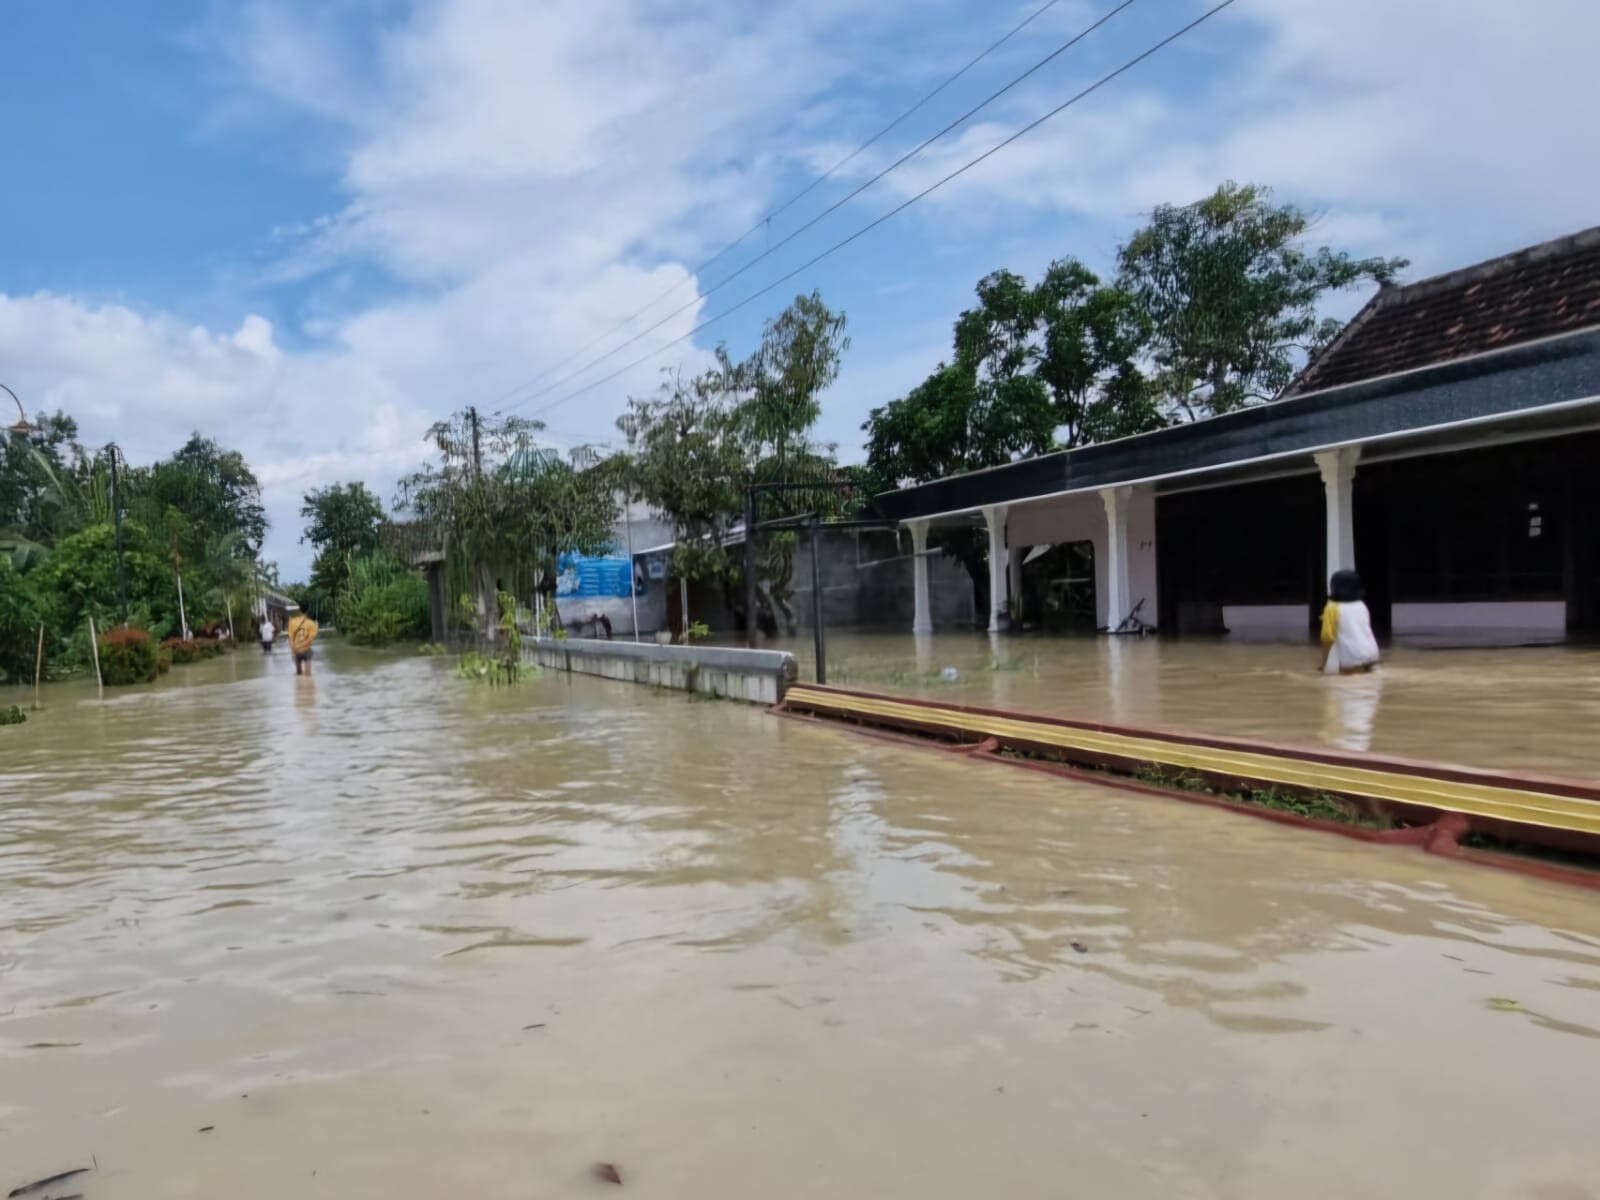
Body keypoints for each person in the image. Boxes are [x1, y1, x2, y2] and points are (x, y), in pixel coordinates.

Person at [1319, 569, 1380, 675]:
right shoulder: (1361, 605)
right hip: (1372, 653)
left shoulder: (1331, 608)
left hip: (1353, 657)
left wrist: (1324, 664)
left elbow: (1327, 638)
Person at [288, 611, 319, 676]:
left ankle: (300, 684)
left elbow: (290, 639)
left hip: (297, 651)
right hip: (305, 650)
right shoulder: (311, 624)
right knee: (307, 674)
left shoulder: (292, 623)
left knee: (299, 673)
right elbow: (311, 639)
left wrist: (293, 651)